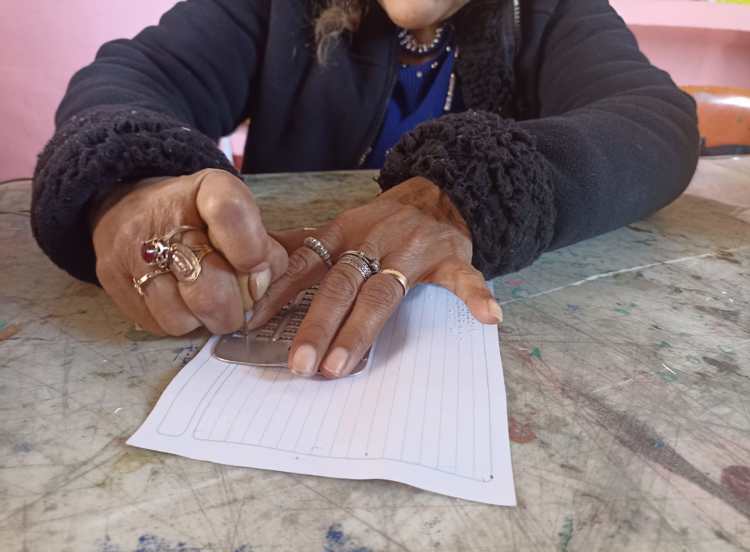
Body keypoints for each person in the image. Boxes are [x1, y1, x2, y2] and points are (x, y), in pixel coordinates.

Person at [31, 0, 699, 378]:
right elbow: (130, 80)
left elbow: (655, 123)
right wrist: (131, 187)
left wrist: (463, 193)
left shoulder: (546, 14)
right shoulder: (276, 10)